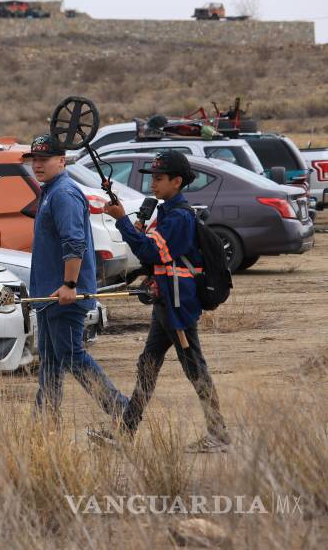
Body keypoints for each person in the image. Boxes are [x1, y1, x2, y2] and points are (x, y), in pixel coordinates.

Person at [92, 151, 231, 453]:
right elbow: (152, 256)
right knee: (148, 364)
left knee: (194, 367)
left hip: (178, 305)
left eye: (159, 178)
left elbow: (152, 252)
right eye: (152, 178)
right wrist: (132, 228)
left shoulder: (179, 217)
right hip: (166, 300)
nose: (152, 184)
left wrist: (122, 221)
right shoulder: (166, 211)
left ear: (176, 181)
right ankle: (125, 432)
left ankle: (219, 435)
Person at [22, 135, 127, 420]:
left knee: (71, 356)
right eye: (35, 160)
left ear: (62, 161)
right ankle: (45, 419)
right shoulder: (50, 191)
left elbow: (74, 243)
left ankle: (121, 410)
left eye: (44, 159)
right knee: (51, 360)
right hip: (47, 295)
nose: (38, 165)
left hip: (65, 295)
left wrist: (70, 284)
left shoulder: (64, 194)